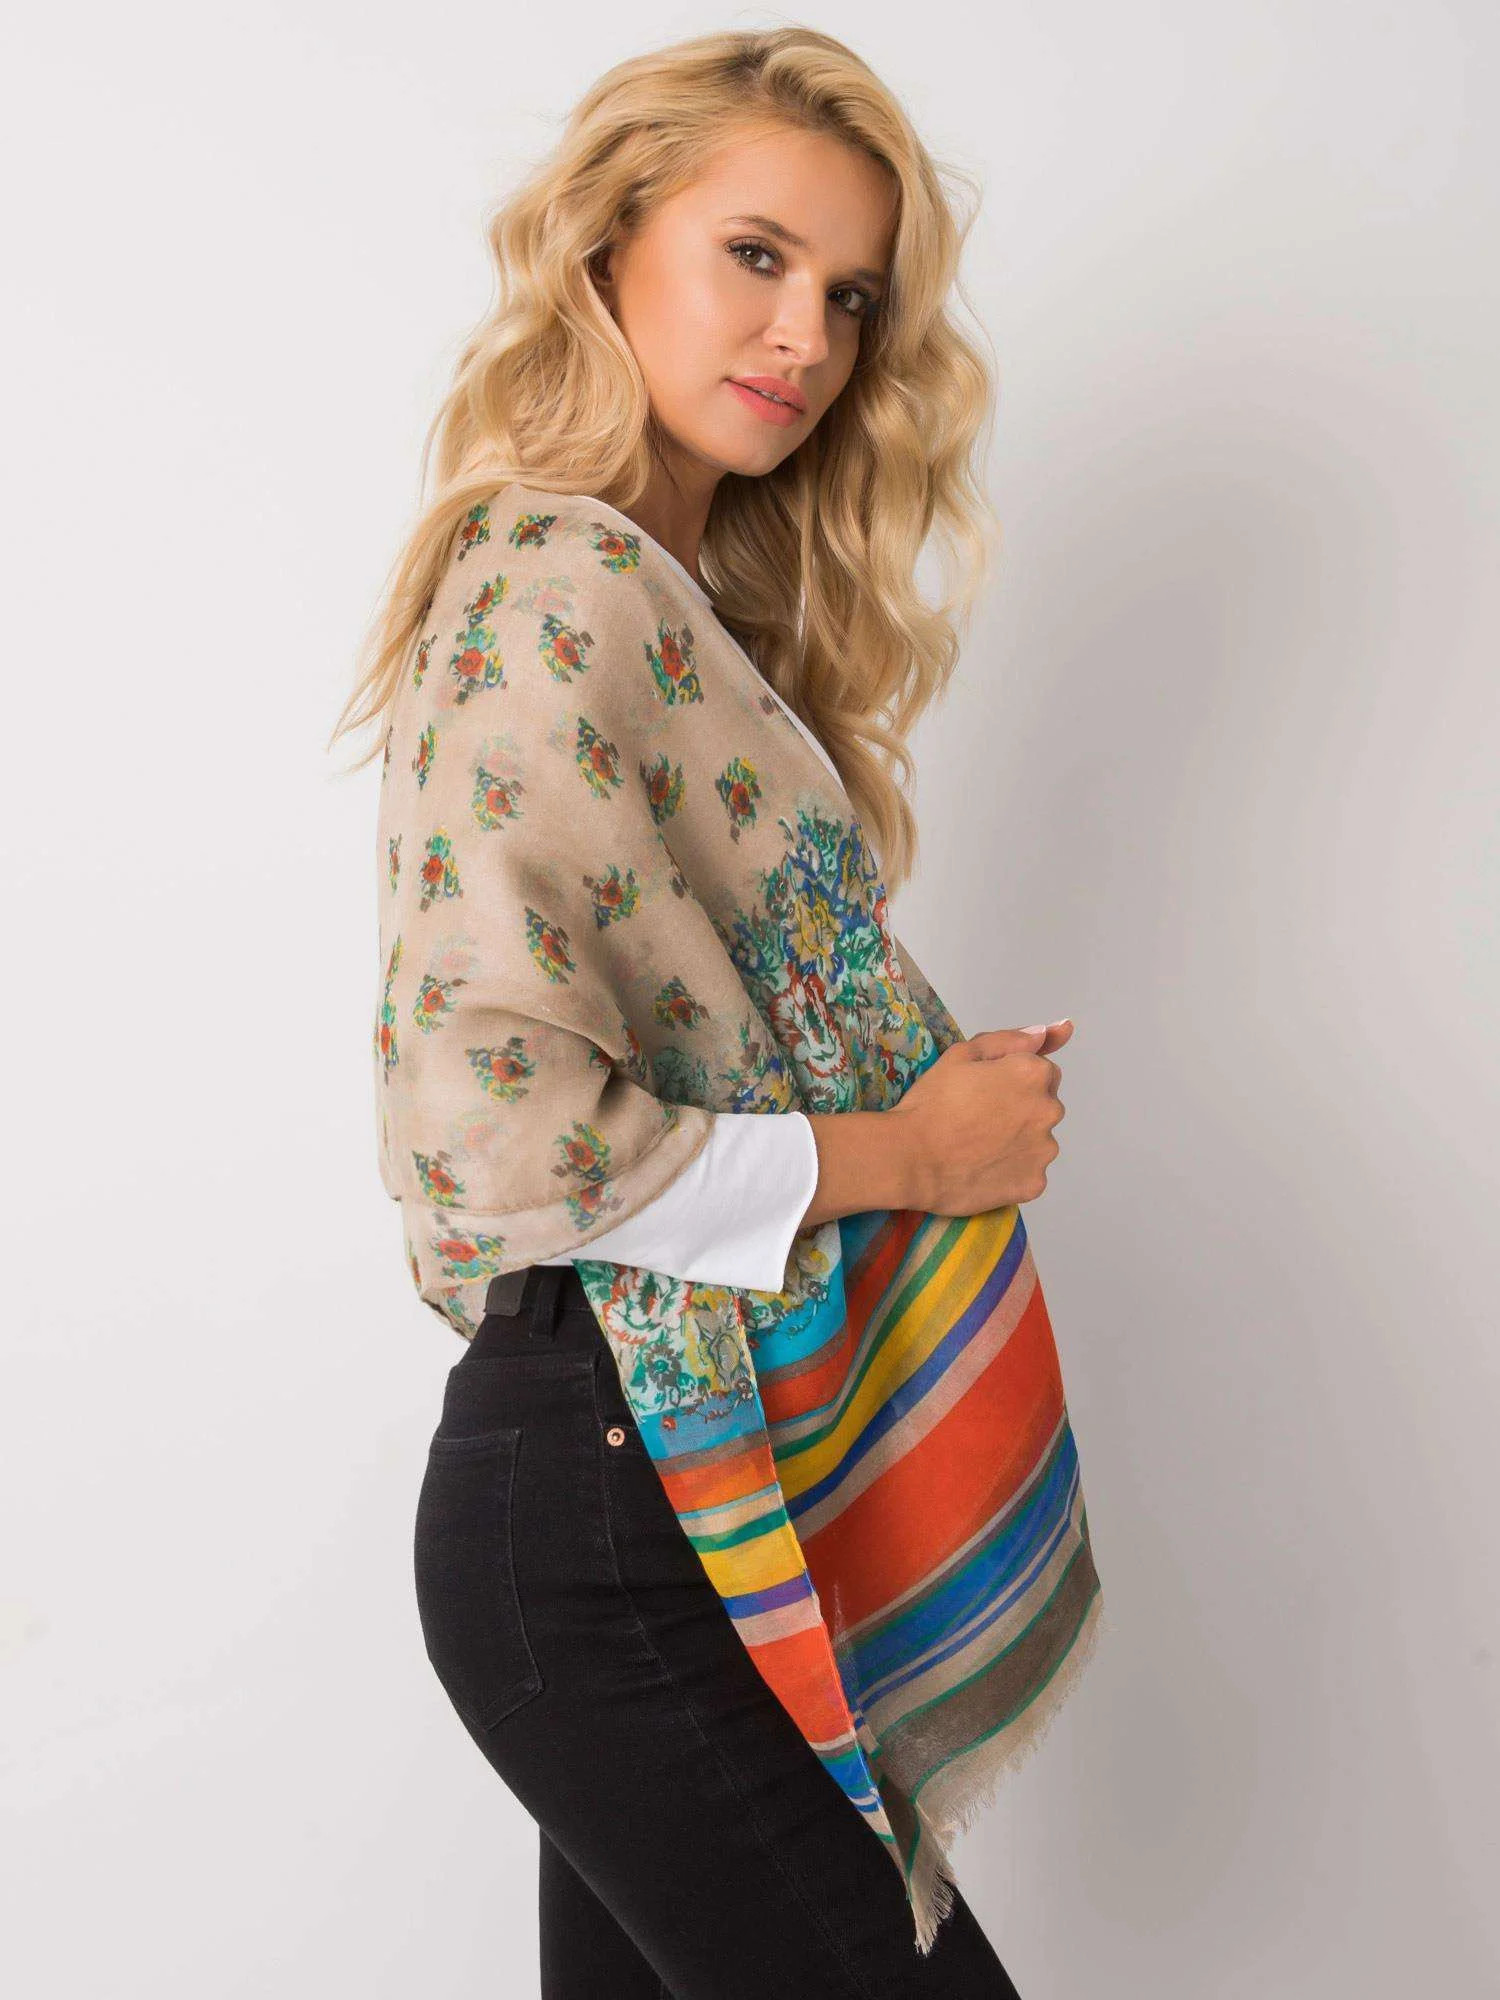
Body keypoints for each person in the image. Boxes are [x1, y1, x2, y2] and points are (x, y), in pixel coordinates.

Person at [331, 26, 1081, 1999]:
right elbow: (493, 1135)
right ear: (606, 244)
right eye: (756, 255)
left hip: (635, 1488)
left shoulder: (661, 598)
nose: (806, 336)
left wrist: (923, 1089)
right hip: (610, 1507)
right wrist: (914, 1149)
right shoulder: (551, 584)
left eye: (850, 295)